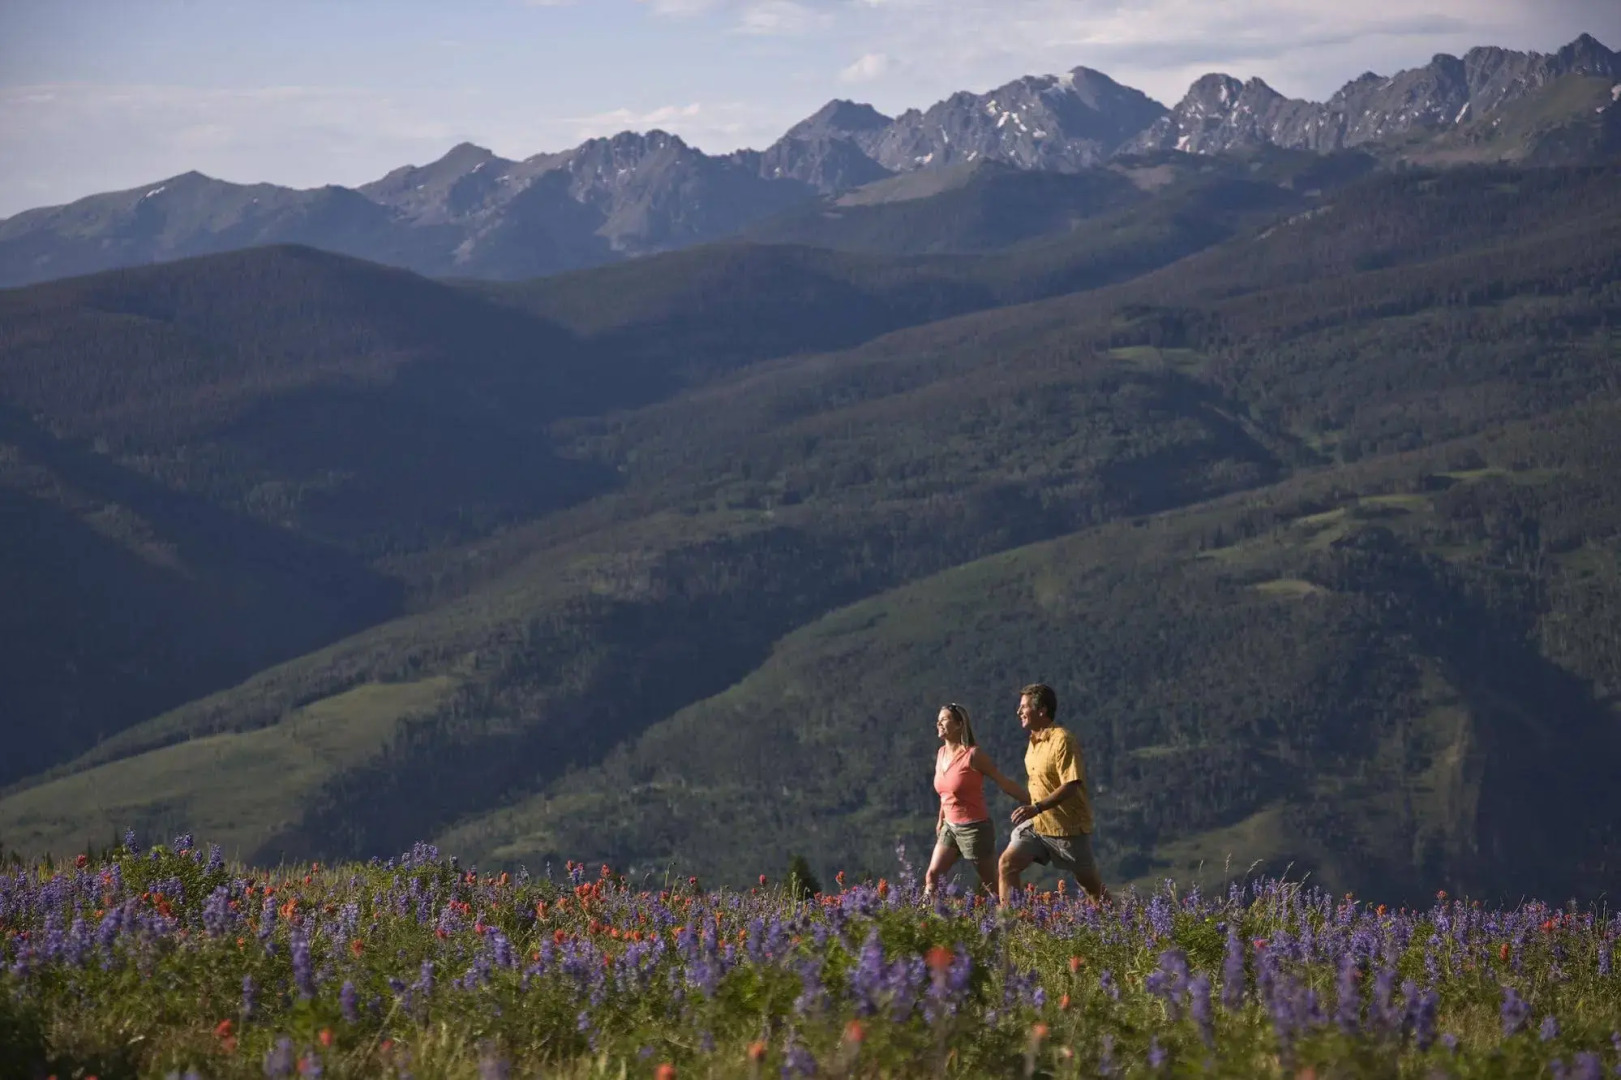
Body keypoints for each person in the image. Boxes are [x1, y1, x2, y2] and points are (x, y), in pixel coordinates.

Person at [1000, 683, 1110, 904]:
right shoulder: (1033, 743)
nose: (1018, 712)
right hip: (1039, 826)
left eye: (1024, 707)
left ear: (1042, 710)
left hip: (1068, 830)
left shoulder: (1063, 740)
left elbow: (1072, 784)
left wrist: (1036, 807)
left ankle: (1122, 926)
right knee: (1007, 865)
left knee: (1093, 890)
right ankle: (1009, 928)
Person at [926, 703, 1030, 897]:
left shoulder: (973, 755)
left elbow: (1003, 782)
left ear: (959, 724)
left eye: (944, 719)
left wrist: (1036, 802)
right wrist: (941, 819)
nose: (938, 723)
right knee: (933, 876)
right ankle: (922, 923)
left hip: (974, 829)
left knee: (993, 886)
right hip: (949, 827)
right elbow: (945, 791)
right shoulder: (941, 753)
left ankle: (1014, 918)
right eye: (938, 719)